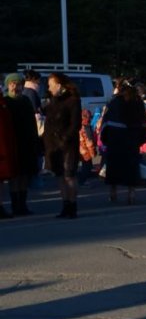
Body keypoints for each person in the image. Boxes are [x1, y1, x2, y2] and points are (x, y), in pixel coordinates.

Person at [101, 80, 146, 205]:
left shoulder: (114, 102)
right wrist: (142, 139)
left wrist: (104, 139)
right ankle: (131, 194)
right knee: (131, 168)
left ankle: (113, 192)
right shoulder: (138, 103)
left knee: (114, 167)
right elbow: (144, 123)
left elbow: (106, 122)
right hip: (132, 140)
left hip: (115, 140)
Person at [43, 72, 82, 219]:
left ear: (59, 85)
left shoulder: (73, 100)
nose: (49, 88)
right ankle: (65, 204)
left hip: (67, 143)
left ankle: (72, 205)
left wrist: (65, 137)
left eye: (51, 85)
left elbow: (75, 123)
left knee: (69, 175)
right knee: (60, 175)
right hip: (53, 143)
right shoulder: (53, 100)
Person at [4, 73, 40, 215]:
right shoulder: (5, 102)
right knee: (14, 175)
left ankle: (22, 205)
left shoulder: (25, 101)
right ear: (8, 85)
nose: (15, 87)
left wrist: (35, 141)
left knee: (25, 174)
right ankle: (15, 205)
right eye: (12, 84)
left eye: (18, 84)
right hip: (12, 142)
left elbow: (32, 123)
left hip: (26, 141)